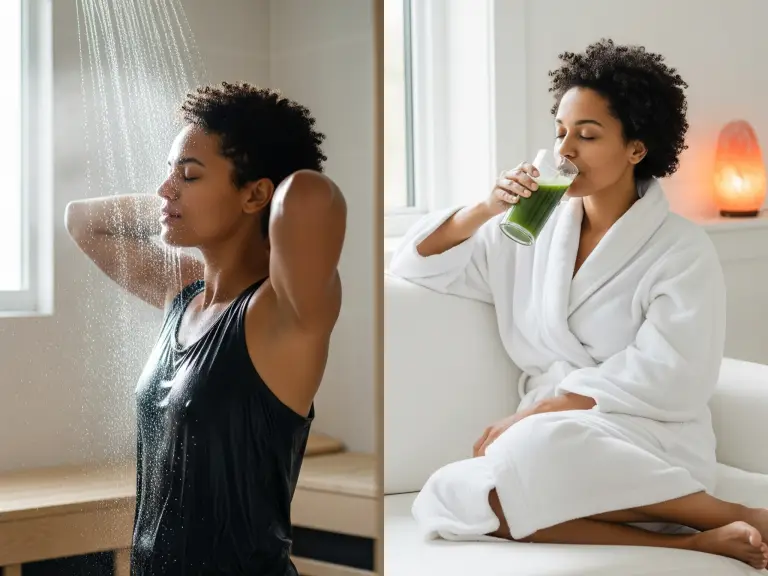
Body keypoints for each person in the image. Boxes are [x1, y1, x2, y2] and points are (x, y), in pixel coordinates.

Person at [389, 39, 768, 570]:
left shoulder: (680, 249)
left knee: (535, 449)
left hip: (641, 431)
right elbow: (416, 263)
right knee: (447, 497)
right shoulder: (532, 228)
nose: (566, 150)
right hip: (550, 437)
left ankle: (731, 510)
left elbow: (673, 375)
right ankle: (694, 541)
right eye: (560, 132)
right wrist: (486, 207)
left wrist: (547, 408)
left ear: (636, 149)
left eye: (587, 136)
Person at [66, 82, 347, 575]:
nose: (164, 188)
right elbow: (83, 221)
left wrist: (251, 187)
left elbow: (309, 197)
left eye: (190, 176)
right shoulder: (186, 296)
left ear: (258, 193)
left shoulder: (277, 314)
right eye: (166, 173)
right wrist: (179, 197)